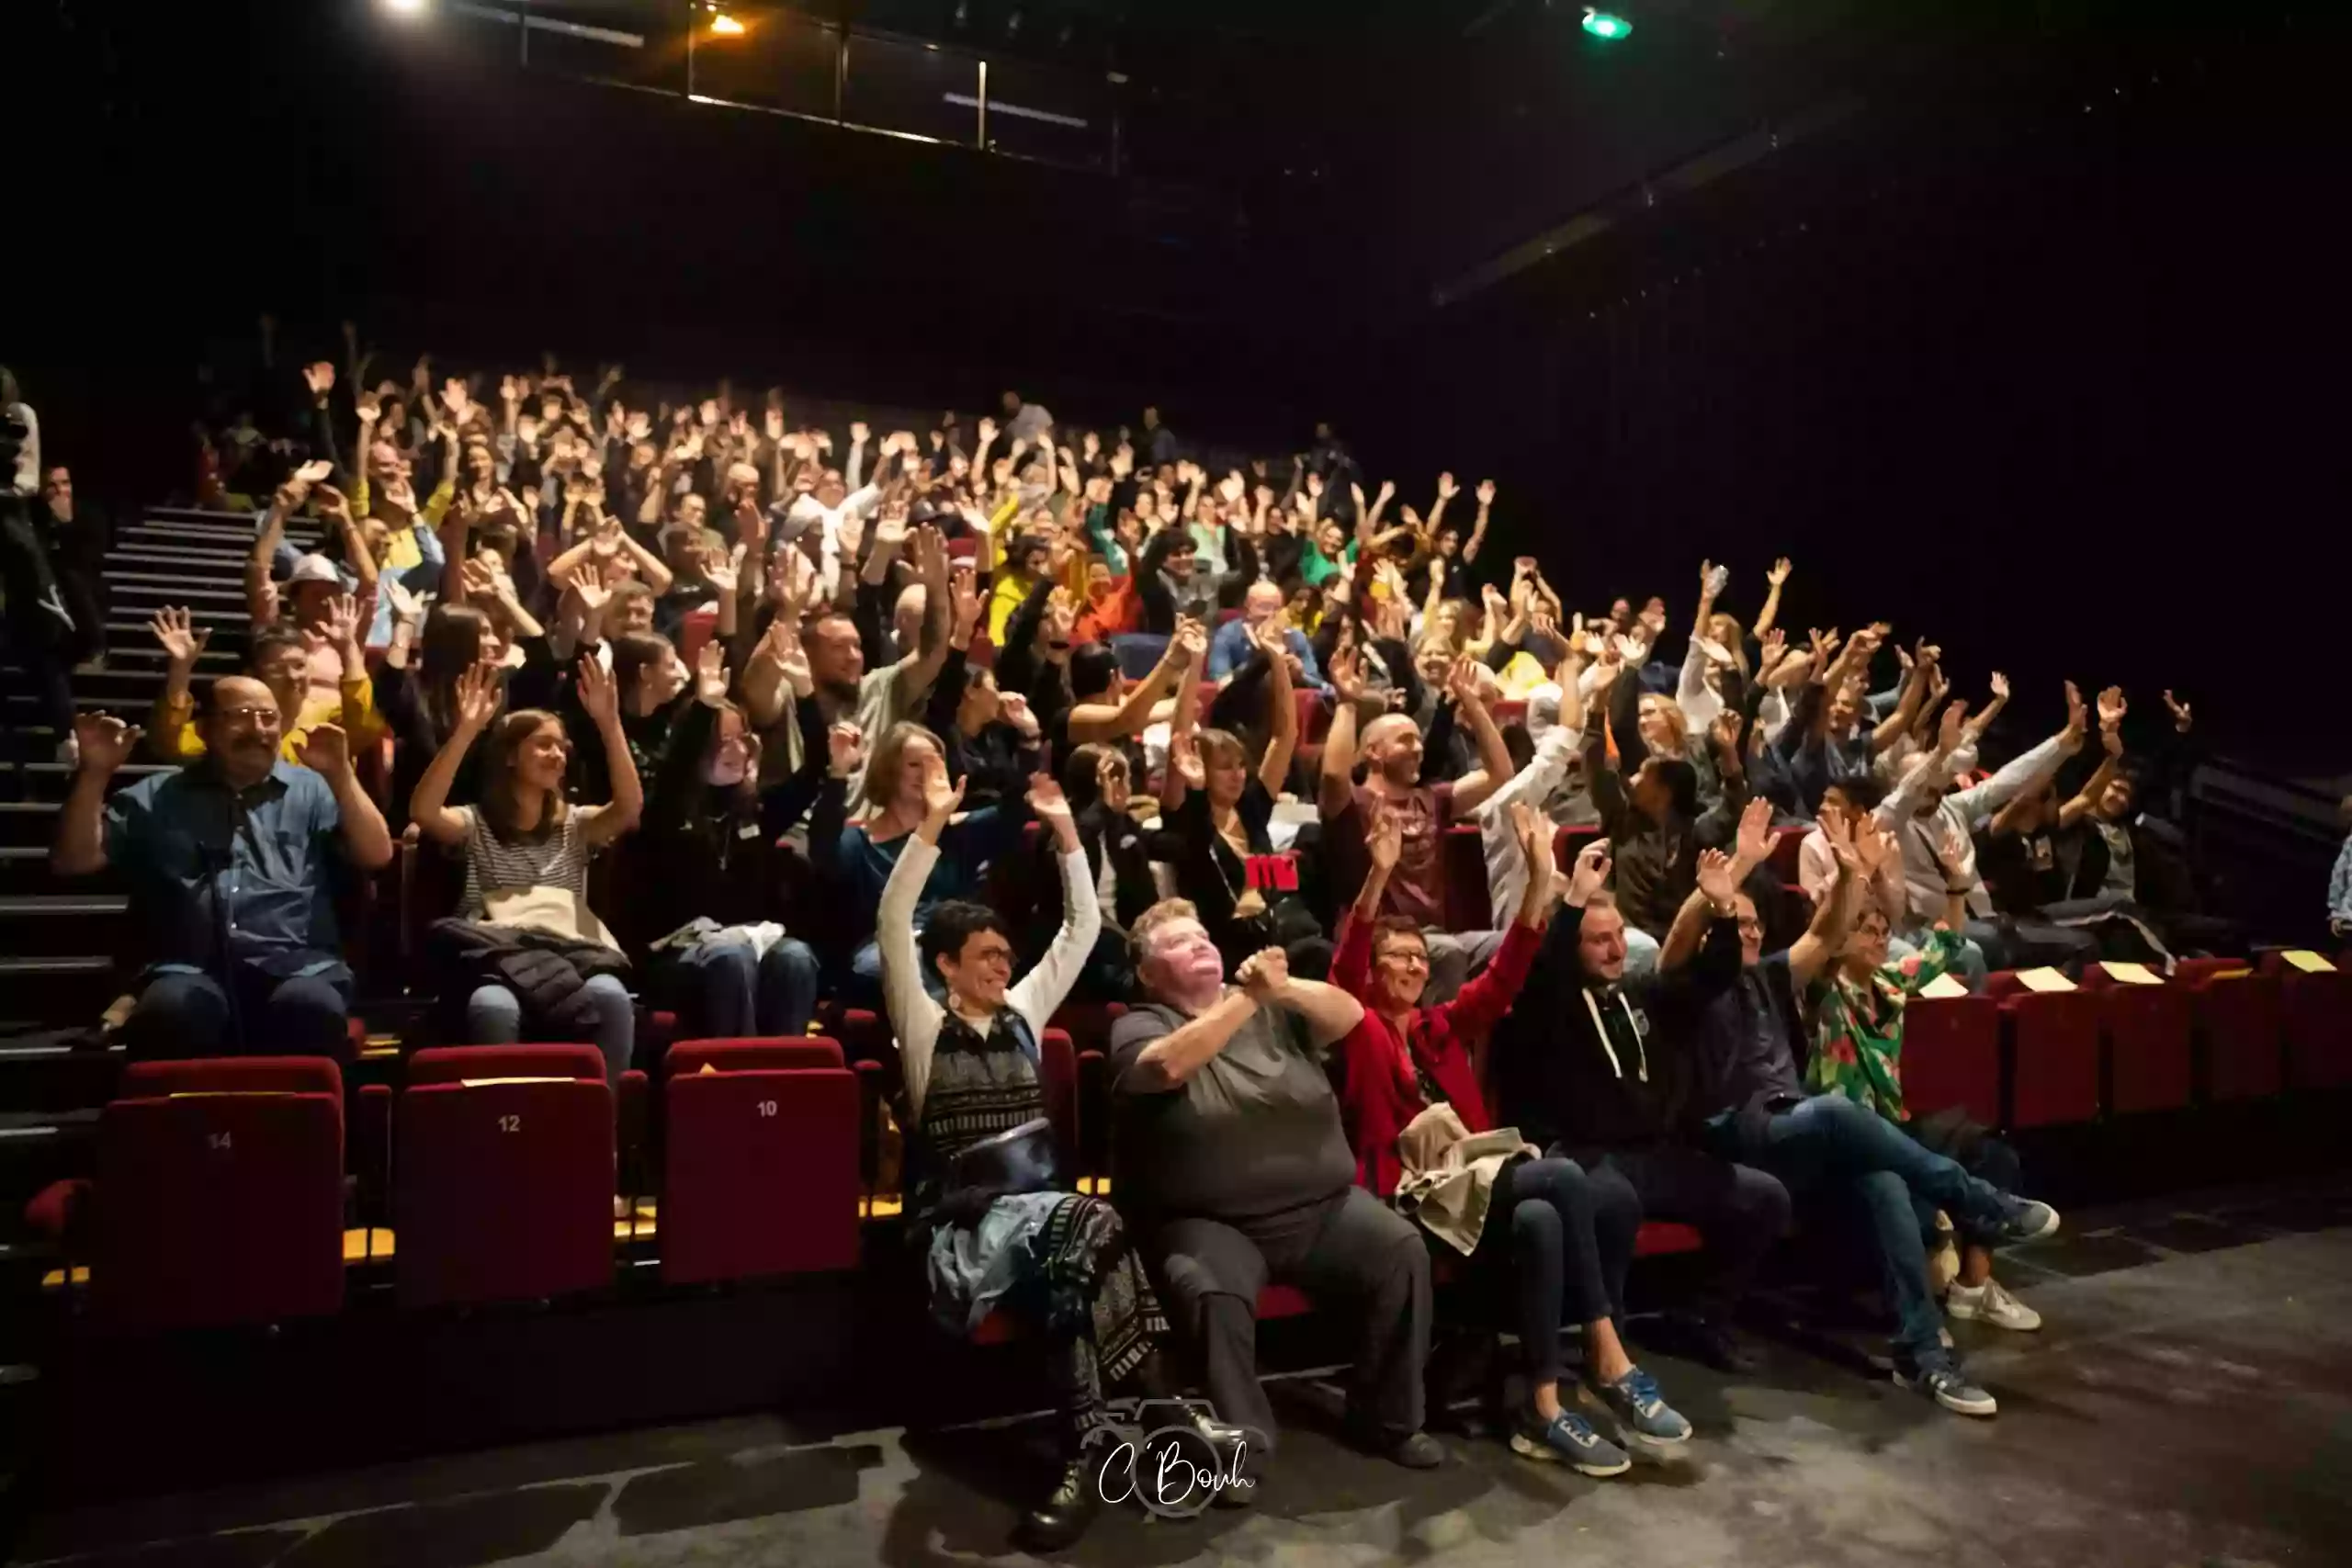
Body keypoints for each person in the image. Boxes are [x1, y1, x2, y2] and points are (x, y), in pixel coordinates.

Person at [879, 753, 1235, 1551]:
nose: (1006, 966)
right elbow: (893, 915)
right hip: (965, 1232)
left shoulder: (1024, 1014)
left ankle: (1085, 1452)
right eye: (987, 957)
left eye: (1008, 955)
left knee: (1078, 1266)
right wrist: (934, 822)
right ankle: (1167, 1408)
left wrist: (1071, 831)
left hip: (1049, 1227)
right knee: (1091, 1221)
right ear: (945, 968)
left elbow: (1080, 929)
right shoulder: (926, 1025)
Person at [1333, 800, 1690, 1472]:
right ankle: (1608, 1351)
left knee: (1541, 1222)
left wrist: (1539, 878)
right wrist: (1377, 878)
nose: (1411, 967)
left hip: (1476, 1189)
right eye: (1396, 957)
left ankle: (1545, 1404)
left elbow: (1507, 975)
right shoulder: (1358, 1029)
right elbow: (1345, 968)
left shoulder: (1441, 1029)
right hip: (1409, 1196)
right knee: (1559, 1175)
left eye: (1418, 957)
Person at [1686, 807, 2063, 1417]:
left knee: (1884, 1170)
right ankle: (1979, 1202)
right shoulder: (1694, 988)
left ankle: (1922, 1352)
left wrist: (1854, 870)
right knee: (1839, 1112)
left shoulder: (1773, 978)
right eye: (1735, 924)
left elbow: (1835, 933)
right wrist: (1739, 874)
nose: (1748, 933)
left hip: (1806, 1134)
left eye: (1754, 924)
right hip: (1744, 1134)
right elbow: (1806, 936)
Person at [1112, 900, 1442, 1475]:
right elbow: (1164, 1069)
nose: (1200, 944)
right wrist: (1248, 998)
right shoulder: (1140, 1022)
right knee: (1211, 1291)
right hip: (1216, 1223)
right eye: (1179, 942)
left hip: (1324, 1210)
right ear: (1147, 973)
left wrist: (1281, 989)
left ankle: (1388, 1420)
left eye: (1203, 935)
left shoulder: (1276, 1015)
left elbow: (1350, 1017)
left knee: (1401, 1251)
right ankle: (1243, 1448)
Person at [1489, 830, 1793, 1373]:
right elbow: (1548, 968)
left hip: (1656, 1155)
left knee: (1765, 1197)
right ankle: (1607, 1342)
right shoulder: (1552, 1006)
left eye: (1619, 937)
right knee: (1615, 1202)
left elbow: (1712, 975)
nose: (1615, 950)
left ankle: (1701, 1319)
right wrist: (1574, 901)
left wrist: (1723, 910)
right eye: (1598, 940)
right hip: (1584, 1154)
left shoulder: (1639, 994)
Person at [1807, 827, 2056, 1376]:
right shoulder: (1825, 991)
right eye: (1864, 930)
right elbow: (1821, 942)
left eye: (1880, 929)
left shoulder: (1890, 987)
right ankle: (1921, 1309)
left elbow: (1947, 946)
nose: (1876, 937)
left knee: (1992, 1151)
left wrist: (1956, 888)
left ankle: (1974, 1282)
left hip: (1893, 1126)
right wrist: (1862, 877)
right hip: (1844, 1139)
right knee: (1907, 1190)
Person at [49, 687, 392, 1063]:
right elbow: (73, 861)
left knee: (309, 1008)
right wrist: (94, 775)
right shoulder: (158, 795)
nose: (257, 729)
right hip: (191, 967)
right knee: (174, 1012)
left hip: (298, 965)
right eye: (241, 715)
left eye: (268, 717)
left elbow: (377, 854)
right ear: (205, 729)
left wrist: (341, 774)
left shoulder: (314, 790)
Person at [410, 659, 644, 1085]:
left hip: (571, 959)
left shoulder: (576, 823)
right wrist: (465, 732)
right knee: (493, 1007)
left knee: (611, 999)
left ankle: (601, 1131)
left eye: (561, 747)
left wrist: (610, 725)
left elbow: (629, 810)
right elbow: (423, 812)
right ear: (510, 757)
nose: (557, 755)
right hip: (498, 960)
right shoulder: (476, 821)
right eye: (543, 745)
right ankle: (503, 1129)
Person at [628, 643, 831, 1040]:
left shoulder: (755, 810)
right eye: (725, 742)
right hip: (676, 954)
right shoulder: (666, 809)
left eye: (744, 740)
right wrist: (703, 705)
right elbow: (676, 765)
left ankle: (784, 1074)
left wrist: (806, 694)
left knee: (794, 956)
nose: (739, 751)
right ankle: (736, 1076)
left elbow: (815, 771)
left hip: (746, 942)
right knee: (730, 955)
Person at [1319, 645, 1518, 1002]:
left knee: (1517, 946)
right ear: (1373, 753)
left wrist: (1470, 703)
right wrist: (1348, 702)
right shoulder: (1354, 803)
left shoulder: (1433, 799)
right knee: (1446, 954)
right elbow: (1334, 774)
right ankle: (1430, 1053)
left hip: (1433, 935)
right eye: (1405, 740)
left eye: (1418, 739)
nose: (1418, 748)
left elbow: (1500, 774)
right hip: (1379, 940)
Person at [1207, 581, 1326, 688]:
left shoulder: (1296, 638)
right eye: (1264, 607)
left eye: (1277, 608)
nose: (1271, 614)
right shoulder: (1229, 634)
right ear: (1247, 611)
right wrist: (1258, 660)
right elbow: (1219, 678)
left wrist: (1300, 675)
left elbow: (1321, 684)